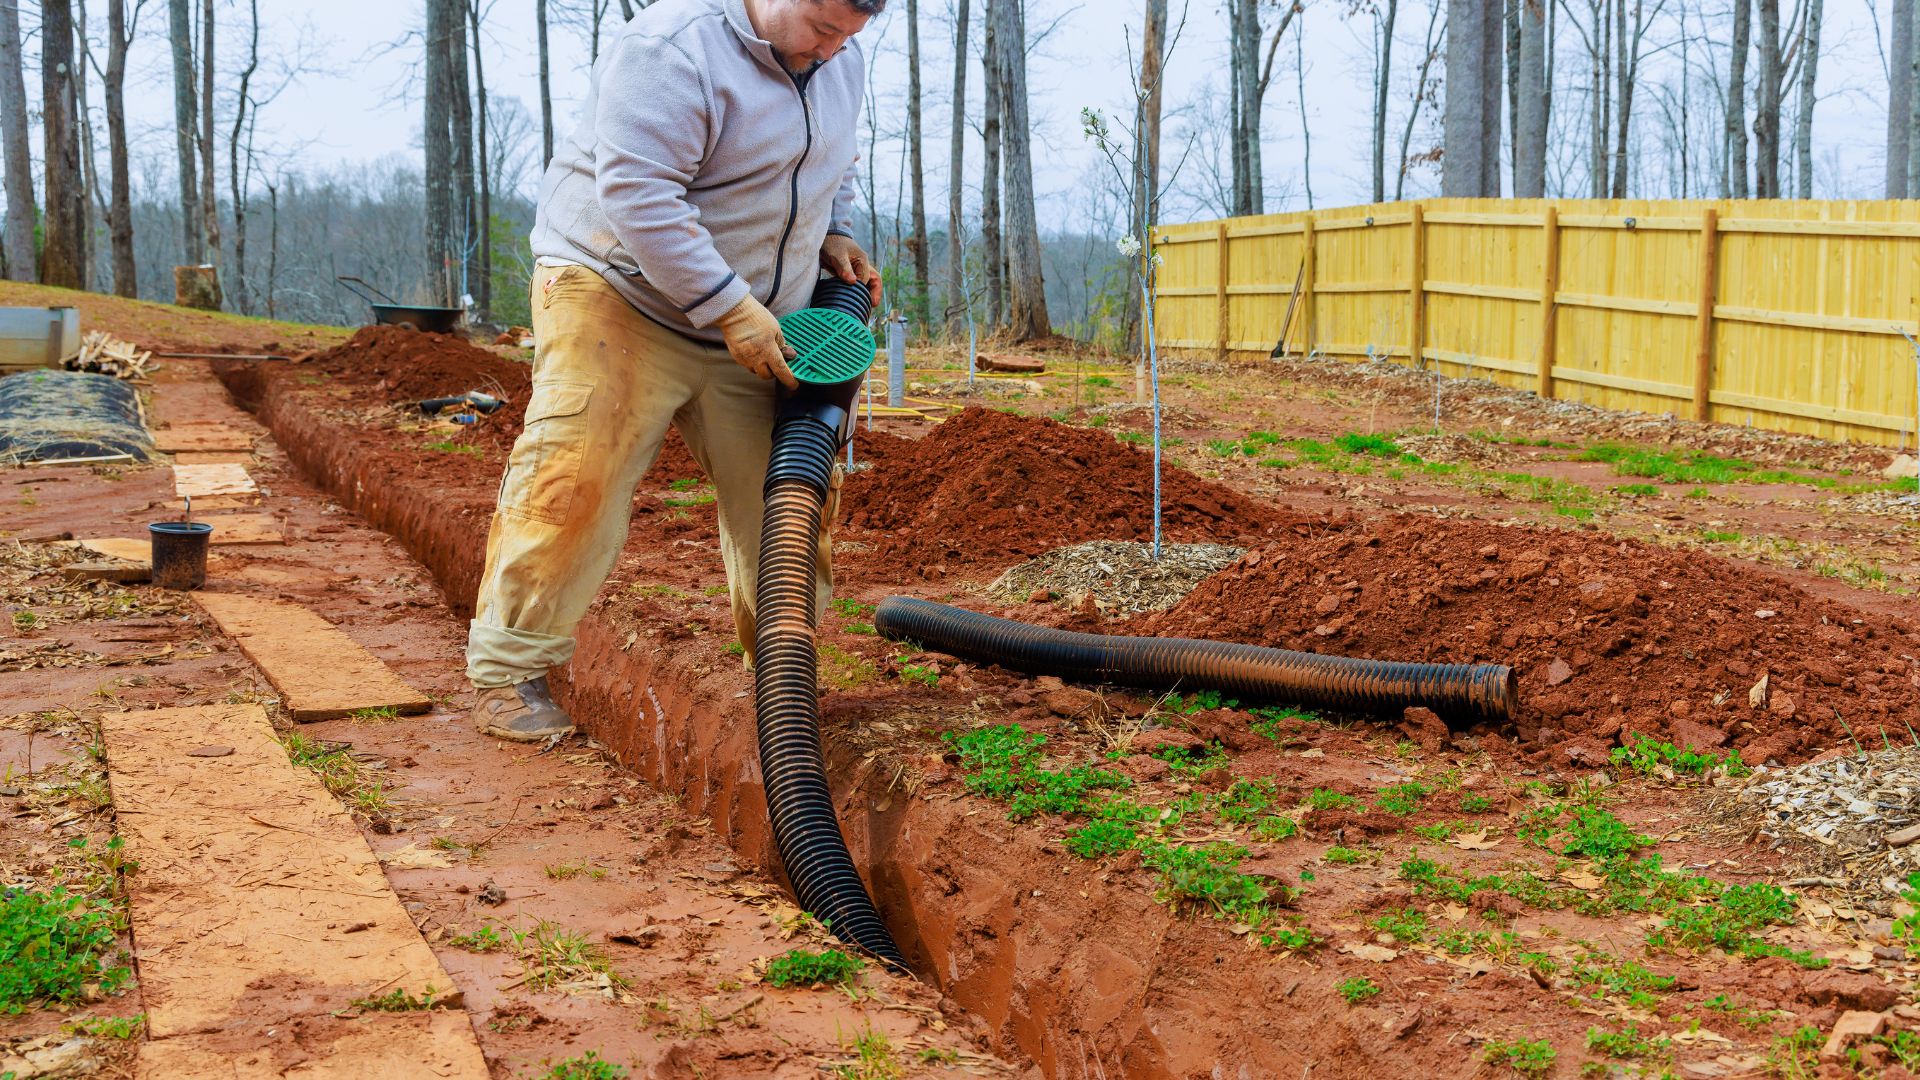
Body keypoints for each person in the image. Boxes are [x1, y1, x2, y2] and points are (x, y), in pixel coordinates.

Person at [465, 0, 886, 742]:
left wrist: (837, 234)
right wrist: (726, 306)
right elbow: (638, 195)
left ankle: (784, 678)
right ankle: (509, 672)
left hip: (760, 314)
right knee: (577, 475)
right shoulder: (673, 47)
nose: (833, 49)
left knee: (788, 494)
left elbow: (829, 165)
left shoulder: (836, 59)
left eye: (851, 35)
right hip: (618, 292)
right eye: (824, 28)